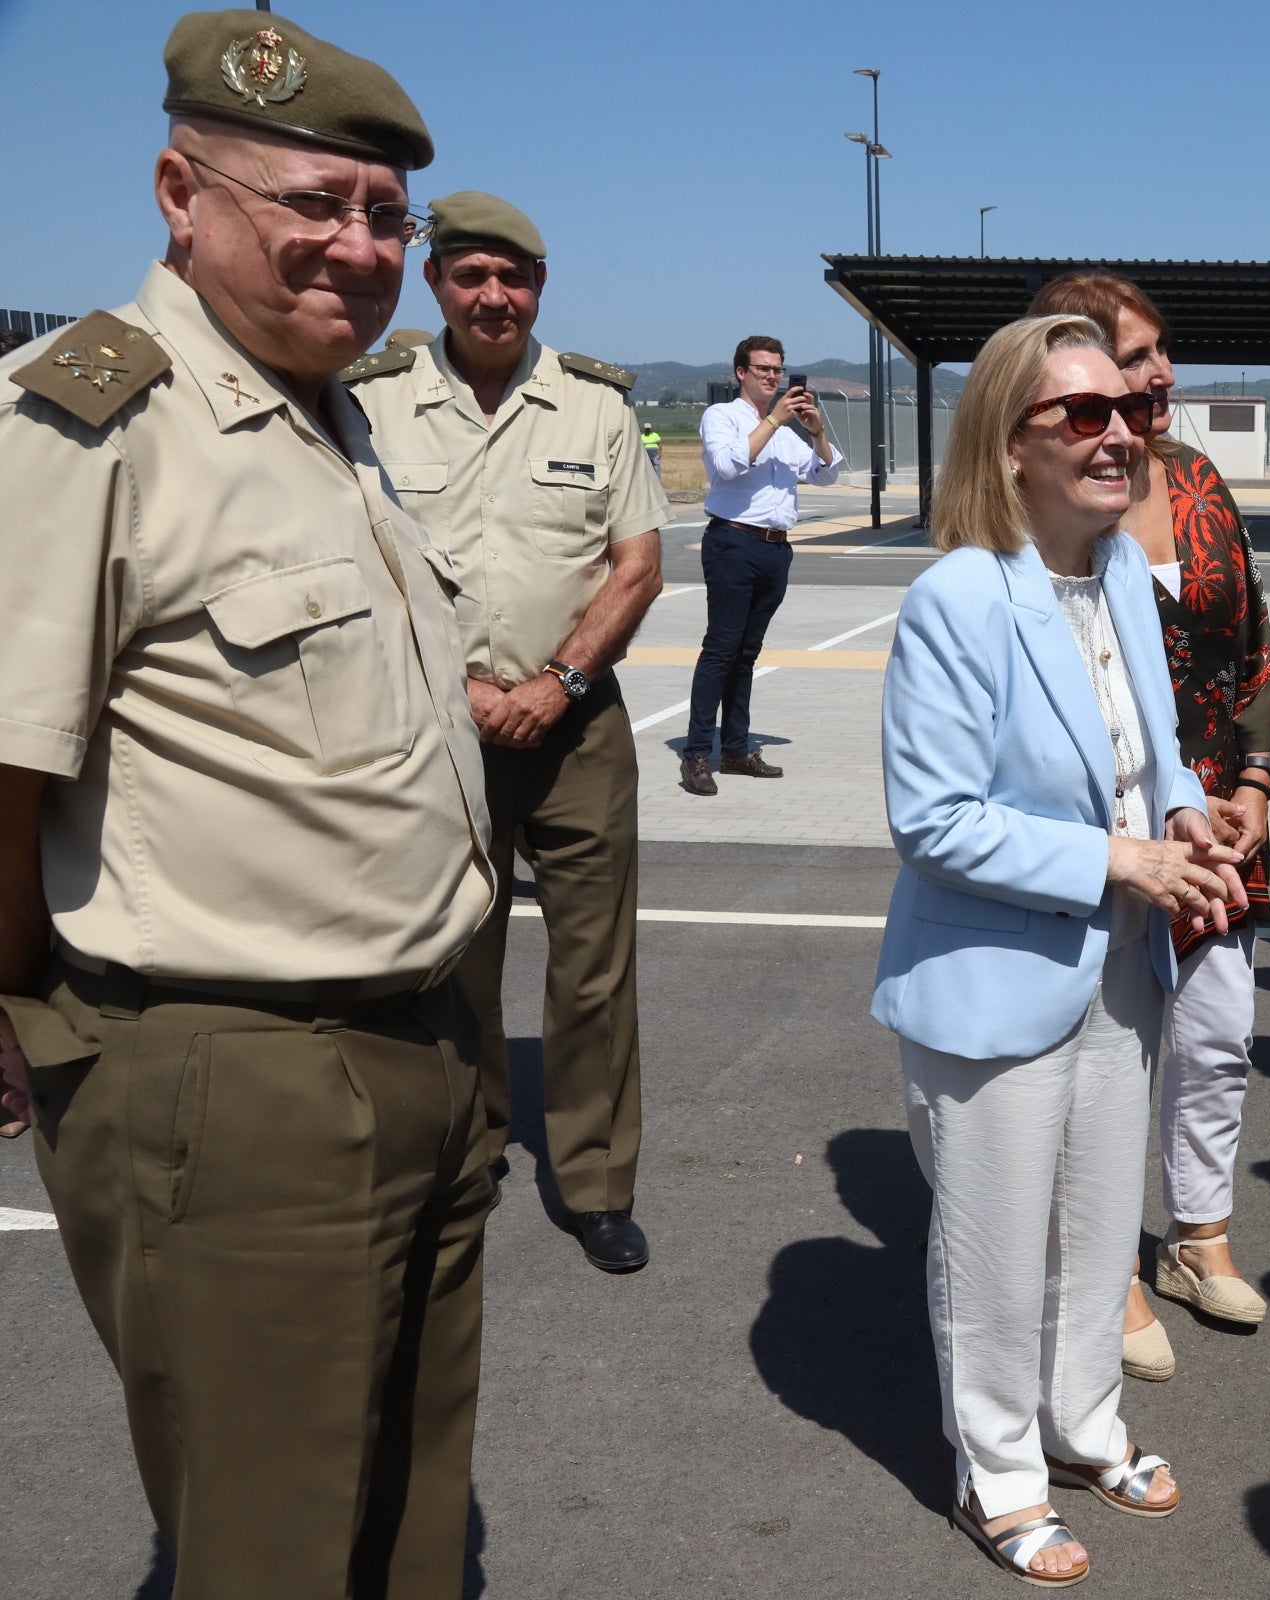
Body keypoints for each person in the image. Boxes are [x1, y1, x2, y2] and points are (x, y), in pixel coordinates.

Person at [0, 13, 495, 1595]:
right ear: (178, 191)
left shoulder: (334, 421)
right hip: (237, 1082)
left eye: (384, 217)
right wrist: (34, 1019)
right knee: (269, 1551)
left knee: (407, 1533)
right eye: (313, 204)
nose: (357, 249)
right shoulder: (90, 422)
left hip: (424, 1048)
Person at [874, 312, 1246, 1586]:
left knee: (1097, 1229)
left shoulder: (1124, 582)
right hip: (994, 976)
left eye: (1126, 411)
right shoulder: (959, 597)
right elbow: (933, 818)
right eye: (1079, 415)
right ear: (1009, 443)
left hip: (1118, 966)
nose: (1117, 434)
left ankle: (1085, 1425)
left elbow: (1154, 744)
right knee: (992, 1247)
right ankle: (1000, 1472)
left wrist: (1189, 811)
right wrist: (1120, 859)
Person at [345, 190, 668, 1272]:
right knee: (453, 957)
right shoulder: (373, 402)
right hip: (435, 728)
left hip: (576, 727)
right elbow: (360, 559)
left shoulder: (596, 407)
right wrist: (466, 693)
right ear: (436, 283)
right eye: (472, 275)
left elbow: (638, 565)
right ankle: (469, 1149)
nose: (495, 295)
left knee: (592, 969)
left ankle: (595, 1180)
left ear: (540, 286)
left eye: (514, 276)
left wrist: (560, 679)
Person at [1028, 271, 1270, 1385]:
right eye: (1134, 359)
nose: (1159, 375)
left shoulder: (1198, 480)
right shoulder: (1042, 514)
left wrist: (1257, 781)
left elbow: (1254, 646)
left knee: (1218, 1037)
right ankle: (1104, 1267)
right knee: (1101, 1058)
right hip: (1100, 837)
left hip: (1214, 822)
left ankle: (1197, 1234)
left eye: (1160, 353)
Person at [682, 334, 841, 794]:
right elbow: (729, 466)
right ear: (741, 373)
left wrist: (815, 430)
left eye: (777, 369)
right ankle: (695, 754)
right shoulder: (722, 417)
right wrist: (772, 419)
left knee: (747, 654)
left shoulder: (788, 434)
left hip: (774, 549)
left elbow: (827, 473)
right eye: (763, 369)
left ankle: (734, 749)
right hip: (733, 542)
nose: (772, 376)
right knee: (721, 649)